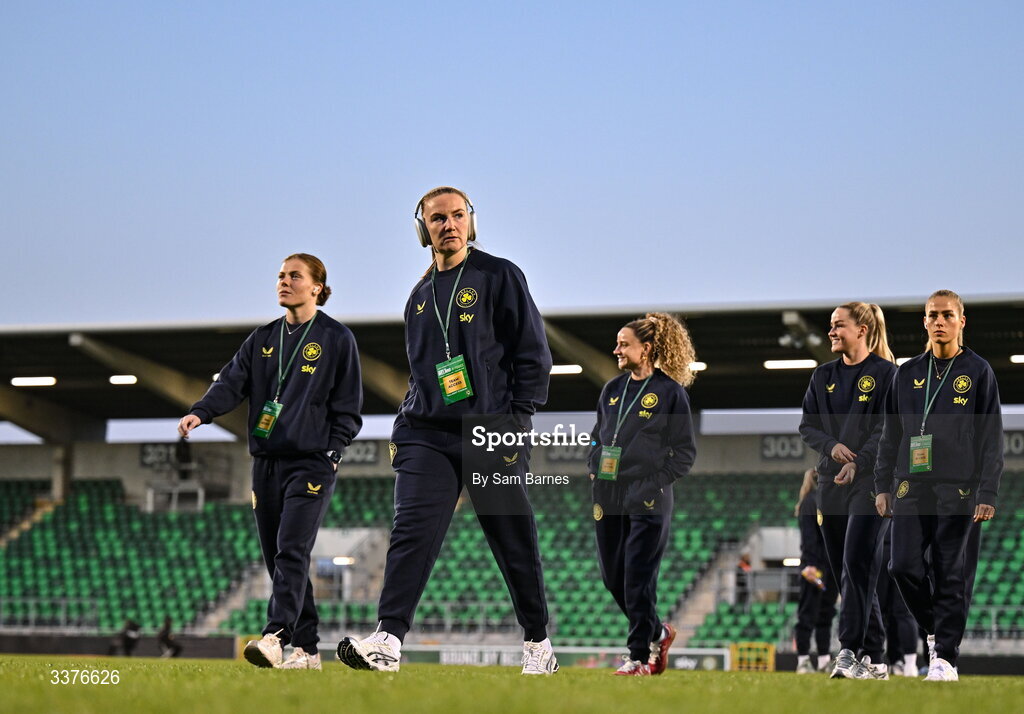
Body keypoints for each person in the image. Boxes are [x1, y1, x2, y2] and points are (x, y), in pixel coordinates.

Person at [336, 187, 557, 675]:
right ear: (423, 229)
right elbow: (421, 373)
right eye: (438, 218)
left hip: (490, 429)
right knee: (411, 530)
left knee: (511, 537)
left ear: (471, 222)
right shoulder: (417, 297)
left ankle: (538, 644)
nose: (448, 224)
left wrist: (517, 420)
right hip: (427, 433)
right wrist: (404, 424)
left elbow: (533, 353)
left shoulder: (500, 275)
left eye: (458, 215)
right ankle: (388, 640)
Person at [177, 253, 363, 671]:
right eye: (280, 276)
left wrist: (332, 453)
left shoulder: (336, 338)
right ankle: (309, 650)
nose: (284, 282)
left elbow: (349, 407)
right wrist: (201, 412)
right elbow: (230, 383)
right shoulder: (262, 339)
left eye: (294, 276)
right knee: (278, 556)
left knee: (292, 550)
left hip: (311, 462)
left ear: (317, 286)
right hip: (266, 464)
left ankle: (276, 636)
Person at [874, 289, 1003, 682]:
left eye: (947, 314)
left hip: (960, 488)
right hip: (910, 486)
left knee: (951, 574)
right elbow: (889, 435)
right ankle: (936, 632)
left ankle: (945, 658)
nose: (939, 321)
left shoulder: (979, 372)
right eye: (932, 315)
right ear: (925, 321)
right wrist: (881, 485)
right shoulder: (907, 372)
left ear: (961, 321)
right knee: (901, 567)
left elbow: (991, 438)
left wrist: (988, 492)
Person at [588, 312, 697, 675]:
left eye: (624, 344)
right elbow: (596, 436)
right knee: (613, 577)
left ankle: (637, 656)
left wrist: (651, 484)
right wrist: (594, 464)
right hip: (608, 494)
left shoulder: (670, 393)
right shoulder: (612, 390)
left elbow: (684, 454)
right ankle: (658, 631)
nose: (616, 349)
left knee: (637, 576)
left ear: (646, 349)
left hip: (648, 496)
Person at [799, 302, 897, 679]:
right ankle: (876, 655)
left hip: (872, 484)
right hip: (830, 482)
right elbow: (807, 426)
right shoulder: (822, 375)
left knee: (857, 561)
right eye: (830, 326)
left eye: (839, 325)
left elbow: (889, 429)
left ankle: (849, 653)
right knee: (847, 572)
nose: (832, 332)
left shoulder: (887, 374)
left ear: (863, 330)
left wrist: (859, 461)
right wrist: (831, 448)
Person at [793, 468, 839, 674]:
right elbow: (816, 537)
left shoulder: (808, 501)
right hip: (824, 566)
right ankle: (817, 660)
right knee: (822, 615)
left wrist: (809, 564)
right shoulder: (821, 500)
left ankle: (809, 661)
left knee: (811, 614)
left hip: (817, 566)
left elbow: (809, 537)